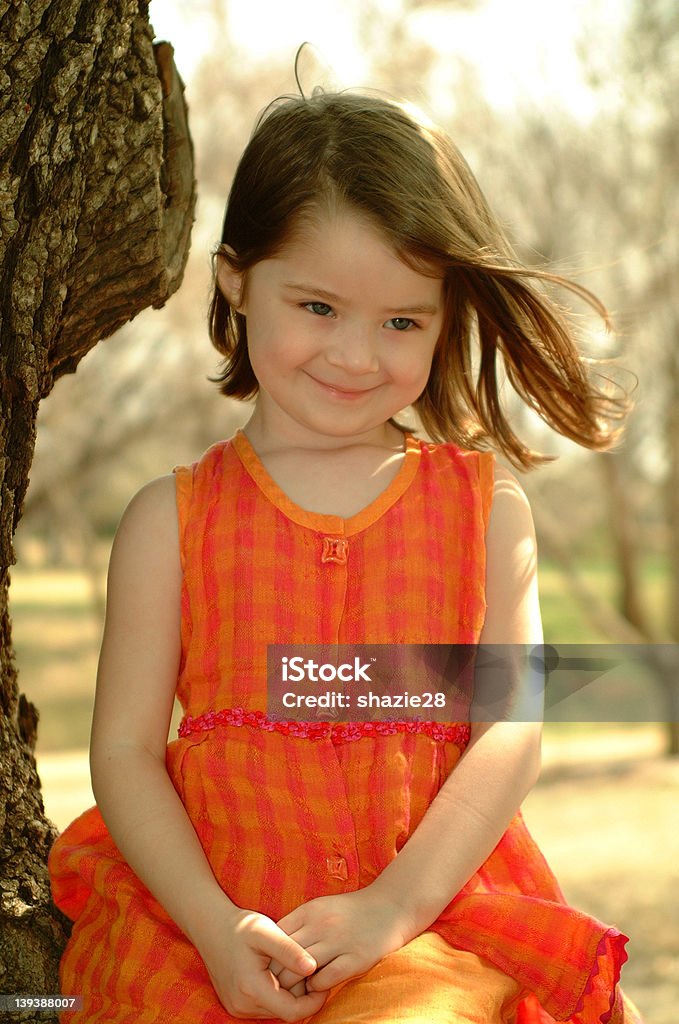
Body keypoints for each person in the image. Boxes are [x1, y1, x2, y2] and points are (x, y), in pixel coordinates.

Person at [49, 88, 643, 1024]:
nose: (357, 356)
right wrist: (212, 925)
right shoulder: (170, 519)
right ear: (237, 279)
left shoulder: (484, 509)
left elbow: (512, 731)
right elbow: (123, 752)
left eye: (402, 321)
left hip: (424, 925)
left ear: (446, 317)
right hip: (209, 932)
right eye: (318, 305)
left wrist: (390, 910)